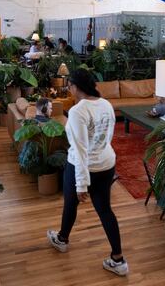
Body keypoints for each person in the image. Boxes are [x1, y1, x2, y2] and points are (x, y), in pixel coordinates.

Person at [47, 69, 128, 276]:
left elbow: (81, 150)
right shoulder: (106, 104)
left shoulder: (77, 111)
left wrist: (81, 184)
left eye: (69, 86)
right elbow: (107, 136)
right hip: (106, 163)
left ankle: (62, 240)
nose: (69, 89)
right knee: (105, 210)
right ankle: (118, 259)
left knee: (71, 203)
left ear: (75, 86)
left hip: (81, 166)